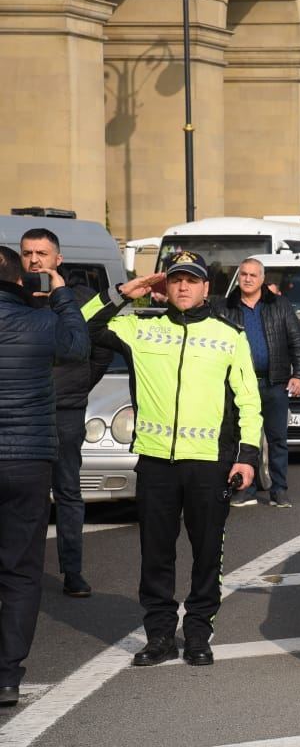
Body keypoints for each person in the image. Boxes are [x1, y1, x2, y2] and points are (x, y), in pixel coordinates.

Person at [82, 251, 262, 667]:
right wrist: (128, 291)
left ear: (205, 288)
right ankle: (160, 636)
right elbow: (82, 325)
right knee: (156, 553)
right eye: (176, 279)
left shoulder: (229, 335)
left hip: (209, 462)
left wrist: (247, 456)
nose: (183, 286)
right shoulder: (139, 329)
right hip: (156, 462)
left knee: (205, 553)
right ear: (166, 286)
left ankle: (198, 633)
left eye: (191, 280)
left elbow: (249, 402)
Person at [0, 246, 89, 707]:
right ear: (21, 282)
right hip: (27, 460)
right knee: (19, 570)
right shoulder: (40, 323)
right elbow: (78, 346)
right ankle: (8, 675)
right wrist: (61, 295)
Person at [20, 228, 113, 598]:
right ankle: (24, 573)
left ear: (58, 259)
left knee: (68, 492)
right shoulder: (14, 298)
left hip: (66, 411)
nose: (34, 259)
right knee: (26, 496)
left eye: (42, 253)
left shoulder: (80, 300)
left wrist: (80, 384)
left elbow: (102, 347)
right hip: (25, 411)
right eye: (27, 253)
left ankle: (72, 571)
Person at [213, 258, 300, 508]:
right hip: (240, 385)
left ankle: (279, 490)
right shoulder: (224, 307)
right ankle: (246, 489)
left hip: (274, 382)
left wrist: (299, 375)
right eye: (243, 274)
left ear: (262, 279)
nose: (248, 279)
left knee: (277, 439)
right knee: (243, 438)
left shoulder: (279, 305)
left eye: (253, 275)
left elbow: (296, 341)